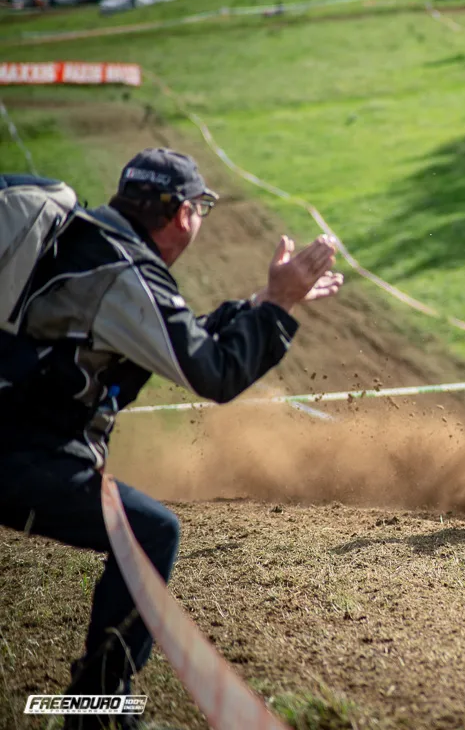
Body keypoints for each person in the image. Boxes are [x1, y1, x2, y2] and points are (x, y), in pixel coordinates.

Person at [0, 148, 343, 729]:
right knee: (151, 530)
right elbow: (215, 373)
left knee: (146, 528)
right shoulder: (124, 271)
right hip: (24, 453)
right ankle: (98, 712)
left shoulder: (90, 242)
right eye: (201, 208)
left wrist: (264, 303)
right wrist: (280, 305)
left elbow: (173, 339)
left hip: (20, 440)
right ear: (184, 214)